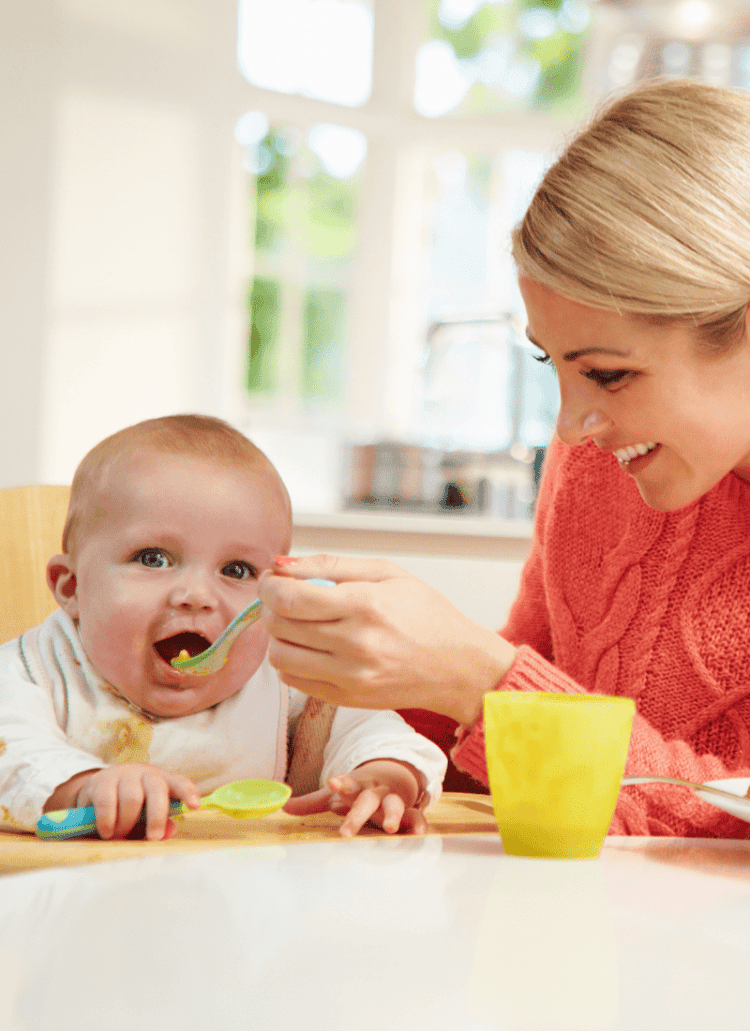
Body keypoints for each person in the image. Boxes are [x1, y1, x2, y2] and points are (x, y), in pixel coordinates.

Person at [257, 78, 750, 838]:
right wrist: (379, 726)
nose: (571, 424)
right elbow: (528, 695)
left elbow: (731, 814)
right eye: (550, 363)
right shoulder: (597, 463)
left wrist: (479, 679)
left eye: (609, 372)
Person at [0, 415, 445, 840]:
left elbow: (366, 725)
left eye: (236, 569)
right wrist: (82, 787)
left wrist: (385, 775)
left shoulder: (284, 677)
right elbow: (10, 751)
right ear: (71, 586)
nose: (196, 594)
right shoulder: (30, 672)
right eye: (153, 558)